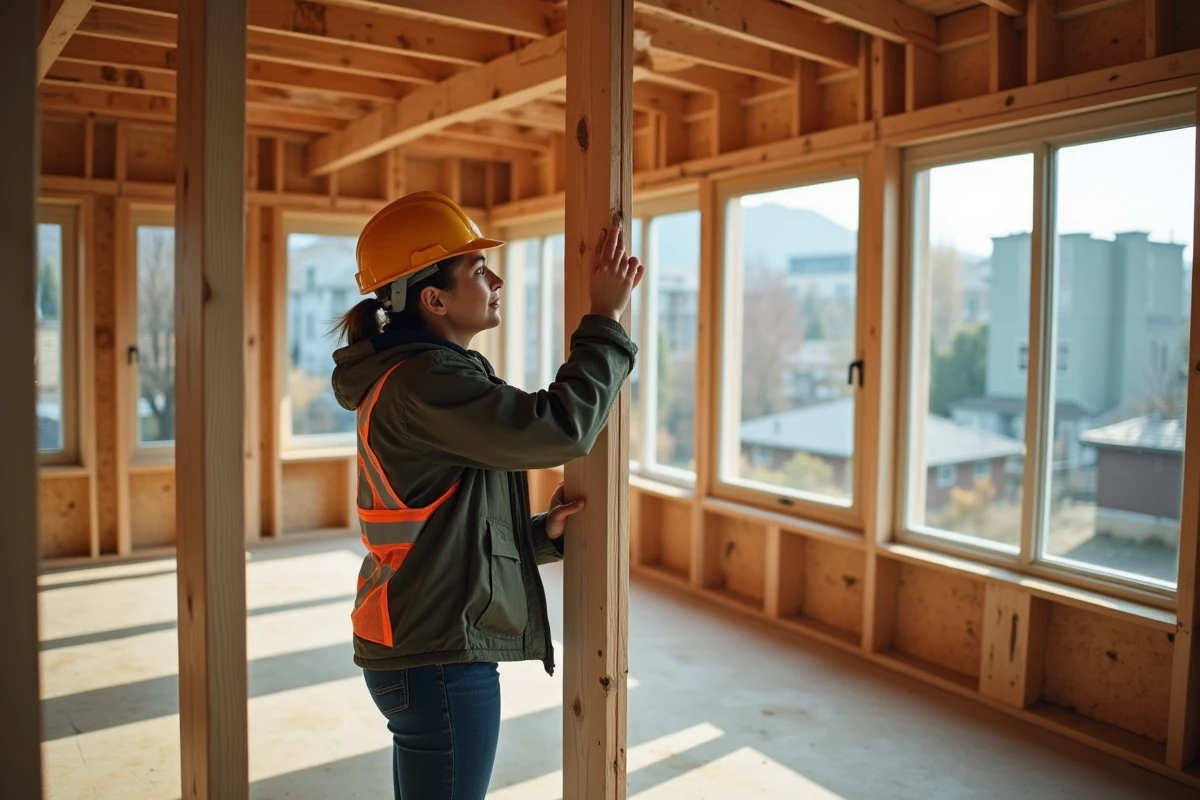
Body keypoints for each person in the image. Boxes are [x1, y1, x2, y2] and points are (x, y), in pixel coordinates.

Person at [330, 191, 643, 800]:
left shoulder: (419, 376)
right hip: (439, 654)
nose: (494, 278)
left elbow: (441, 524)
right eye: (477, 269)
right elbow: (559, 427)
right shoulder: (425, 381)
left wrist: (534, 535)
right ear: (434, 298)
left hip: (423, 640)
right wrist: (605, 321)